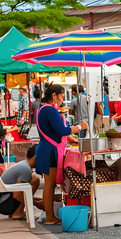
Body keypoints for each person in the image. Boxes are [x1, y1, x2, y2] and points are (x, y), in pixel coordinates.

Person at [36, 84, 87, 224]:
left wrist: (70, 138)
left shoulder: (43, 109)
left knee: (49, 184)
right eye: (62, 96)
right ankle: (50, 217)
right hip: (49, 151)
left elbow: (54, 131)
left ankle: (49, 216)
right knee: (50, 185)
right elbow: (62, 130)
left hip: (46, 149)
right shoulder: (49, 111)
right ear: (54, 95)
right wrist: (80, 127)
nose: (62, 100)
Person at [0, 145, 43, 219]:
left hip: (3, 200)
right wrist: (37, 203)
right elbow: (19, 191)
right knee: (23, 188)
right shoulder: (26, 169)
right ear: (36, 157)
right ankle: (17, 213)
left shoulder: (24, 164)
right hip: (4, 204)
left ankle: (17, 210)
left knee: (35, 179)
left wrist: (38, 201)